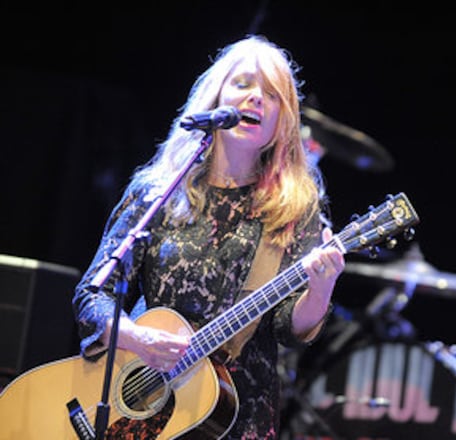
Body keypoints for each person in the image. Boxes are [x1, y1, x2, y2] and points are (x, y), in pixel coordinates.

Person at [72, 35, 345, 439]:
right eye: (243, 84)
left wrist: (321, 290)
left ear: (280, 123)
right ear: (215, 97)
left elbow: (289, 328)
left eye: (271, 95)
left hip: (234, 415)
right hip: (137, 399)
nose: (255, 98)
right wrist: (136, 337)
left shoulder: (295, 208)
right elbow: (92, 295)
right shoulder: (157, 191)